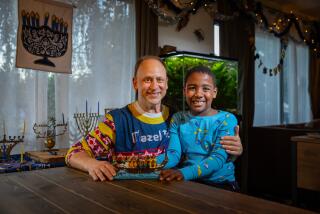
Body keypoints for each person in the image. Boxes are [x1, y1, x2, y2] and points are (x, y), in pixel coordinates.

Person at [65, 56, 243, 181]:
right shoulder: (117, 121)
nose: (155, 86)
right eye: (147, 80)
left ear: (166, 83)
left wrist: (234, 153)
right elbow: (73, 154)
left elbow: (202, 153)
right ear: (135, 83)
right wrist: (92, 165)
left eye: (159, 79)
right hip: (126, 197)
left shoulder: (178, 118)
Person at [158, 66, 239, 191]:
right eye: (192, 88)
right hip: (188, 182)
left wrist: (183, 173)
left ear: (214, 92)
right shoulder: (178, 119)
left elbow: (218, 158)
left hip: (221, 185)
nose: (198, 94)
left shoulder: (227, 119)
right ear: (184, 91)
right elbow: (173, 154)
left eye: (205, 88)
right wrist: (144, 163)